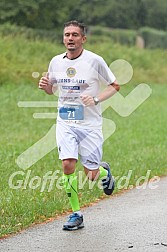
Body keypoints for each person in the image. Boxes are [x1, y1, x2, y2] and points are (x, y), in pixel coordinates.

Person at [38, 20, 120, 231]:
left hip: (90, 124)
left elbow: (115, 86)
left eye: (75, 35)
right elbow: (51, 89)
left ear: (83, 38)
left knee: (90, 174)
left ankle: (103, 172)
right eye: (67, 35)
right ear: (63, 38)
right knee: (67, 164)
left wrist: (96, 100)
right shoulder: (55, 62)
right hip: (65, 121)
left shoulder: (95, 61)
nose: (70, 38)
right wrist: (46, 87)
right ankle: (76, 214)